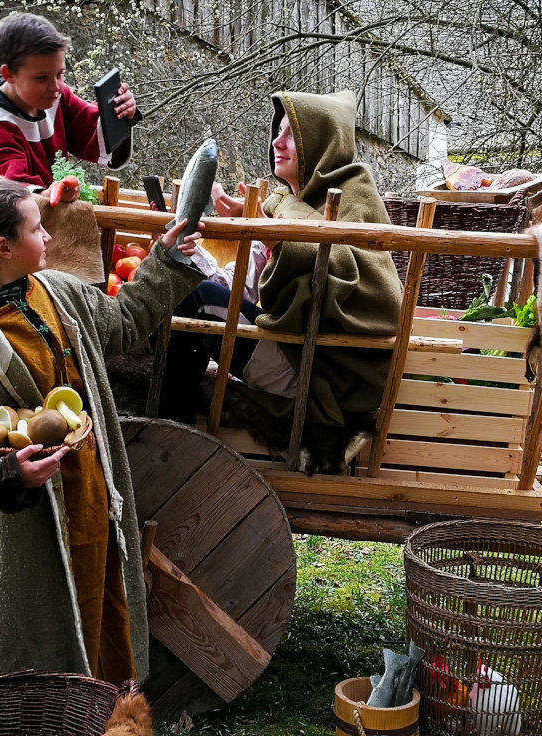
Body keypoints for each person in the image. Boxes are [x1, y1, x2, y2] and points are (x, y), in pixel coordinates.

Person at [0, 178, 204, 681]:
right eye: (37, 229)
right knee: (42, 626)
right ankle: (46, 734)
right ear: (4, 247)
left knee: (102, 598)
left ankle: (108, 722)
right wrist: (11, 472)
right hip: (28, 521)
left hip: (91, 491)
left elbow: (123, 320)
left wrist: (166, 258)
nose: (49, 238)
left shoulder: (56, 291)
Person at [167, 91, 404, 472]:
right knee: (193, 293)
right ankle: (173, 425)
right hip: (292, 346)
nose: (277, 143)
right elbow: (240, 288)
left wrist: (283, 227)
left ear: (319, 141)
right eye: (278, 132)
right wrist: (197, 258)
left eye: (291, 135)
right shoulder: (291, 203)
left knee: (195, 299)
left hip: (320, 373)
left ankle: (170, 432)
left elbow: (376, 295)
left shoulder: (353, 195)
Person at [0, 12, 139, 201]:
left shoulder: (57, 96)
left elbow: (89, 128)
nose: (56, 87)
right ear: (8, 74)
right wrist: (47, 194)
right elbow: (10, 190)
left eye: (59, 74)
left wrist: (119, 111)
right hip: (10, 225)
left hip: (48, 217)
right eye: (41, 78)